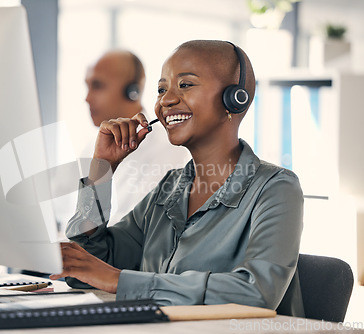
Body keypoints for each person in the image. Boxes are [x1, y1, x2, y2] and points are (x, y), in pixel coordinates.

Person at [50, 40, 304, 317]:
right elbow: (89, 267)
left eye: (185, 85)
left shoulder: (276, 188)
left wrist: (119, 280)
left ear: (235, 98)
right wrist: (102, 170)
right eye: (161, 89)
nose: (166, 100)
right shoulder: (169, 189)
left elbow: (256, 293)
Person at [81, 49, 190, 224]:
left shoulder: (168, 149)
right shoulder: (93, 146)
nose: (87, 98)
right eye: (87, 86)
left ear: (133, 91)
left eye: (97, 86)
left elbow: (135, 230)